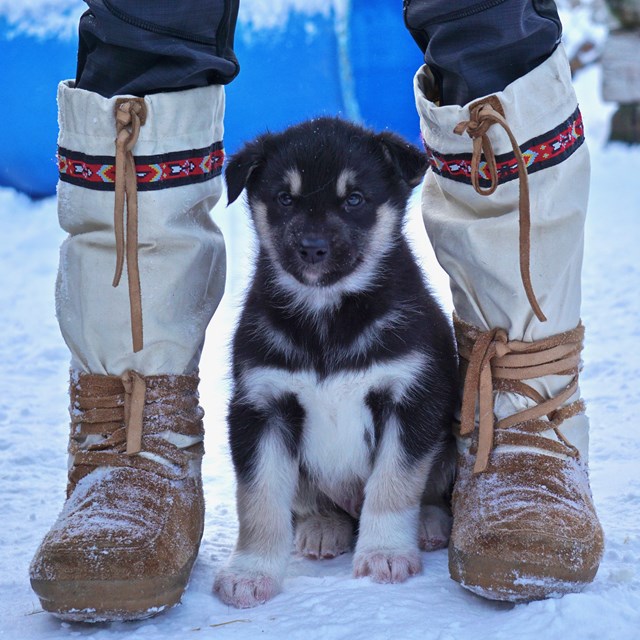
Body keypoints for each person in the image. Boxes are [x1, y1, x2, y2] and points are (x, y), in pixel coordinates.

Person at [29, 0, 603, 621]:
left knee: (485, 16)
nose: (314, 234)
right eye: (288, 205)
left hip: (406, 472)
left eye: (353, 204)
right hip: (303, 475)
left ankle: (520, 417)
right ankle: (135, 431)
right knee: (148, 19)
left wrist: (395, 517)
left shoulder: (400, 311)